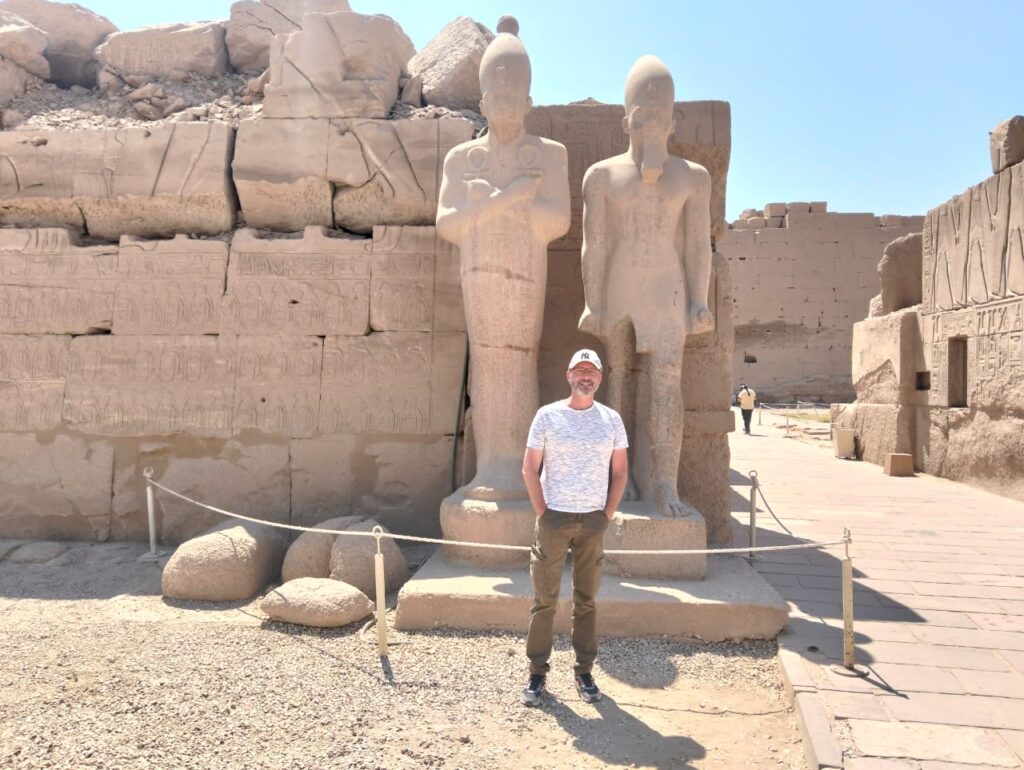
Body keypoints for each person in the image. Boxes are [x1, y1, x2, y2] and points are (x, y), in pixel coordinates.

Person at [435, 16, 571, 501]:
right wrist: (508, 199)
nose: (507, 106)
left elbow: (558, 221)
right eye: (498, 98)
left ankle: (517, 467)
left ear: (529, 103)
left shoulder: (549, 154)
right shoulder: (461, 159)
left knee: (519, 360)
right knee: (488, 361)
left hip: (525, 270)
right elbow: (448, 224)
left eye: (515, 99)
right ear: (483, 104)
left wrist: (502, 204)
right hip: (479, 271)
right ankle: (489, 466)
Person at [578, 55, 713, 516]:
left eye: (660, 117)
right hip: (621, 285)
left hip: (667, 288)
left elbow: (697, 244)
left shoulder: (692, 177)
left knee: (667, 385)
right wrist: (592, 301)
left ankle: (665, 484)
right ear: (627, 123)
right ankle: (619, 480)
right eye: (642, 119)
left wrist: (699, 300)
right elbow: (594, 244)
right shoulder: (602, 175)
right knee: (617, 384)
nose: (652, 126)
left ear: (673, 121)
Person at [520, 349, 629, 706]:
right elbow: (529, 468)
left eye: (591, 371)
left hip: (592, 520)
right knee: (544, 601)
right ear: (569, 375)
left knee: (586, 600)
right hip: (554, 517)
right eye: (579, 370)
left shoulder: (611, 419)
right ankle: (537, 673)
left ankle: (584, 671)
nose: (585, 376)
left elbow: (620, 471)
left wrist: (606, 514)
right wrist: (543, 512)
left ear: (600, 378)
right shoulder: (547, 415)